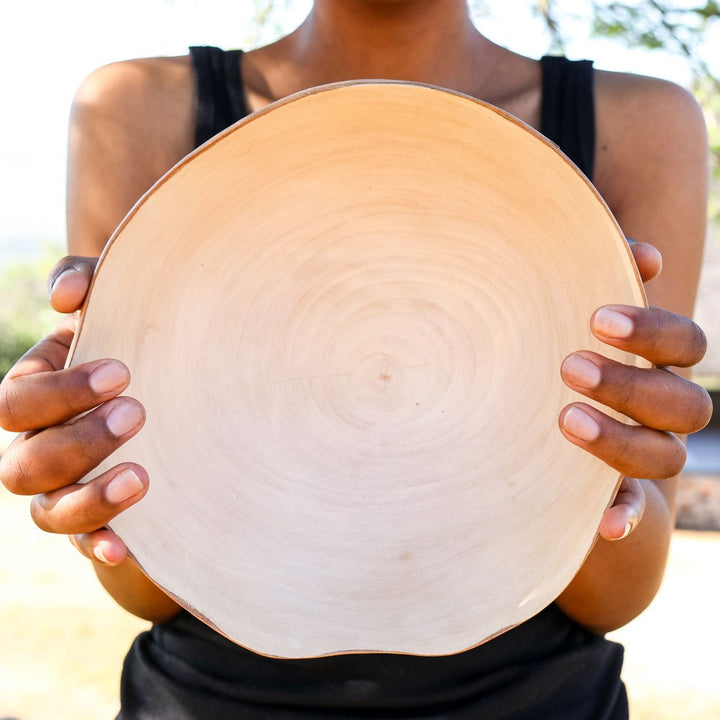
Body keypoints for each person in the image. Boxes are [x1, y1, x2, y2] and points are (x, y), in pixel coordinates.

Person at [0, 1, 713, 717]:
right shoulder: (136, 107)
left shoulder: (640, 123)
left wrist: (586, 491)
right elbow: (148, 590)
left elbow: (620, 589)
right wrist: (94, 481)